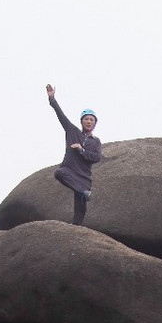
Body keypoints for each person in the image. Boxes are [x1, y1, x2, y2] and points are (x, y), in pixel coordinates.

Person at [45, 84, 102, 225]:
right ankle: (82, 192)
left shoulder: (96, 141)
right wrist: (52, 98)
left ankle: (74, 231)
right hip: (70, 171)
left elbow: (96, 157)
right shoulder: (73, 131)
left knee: (80, 209)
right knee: (59, 173)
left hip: (83, 177)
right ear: (82, 121)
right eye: (86, 119)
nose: (89, 121)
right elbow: (61, 116)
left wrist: (82, 150)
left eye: (91, 120)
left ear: (95, 123)